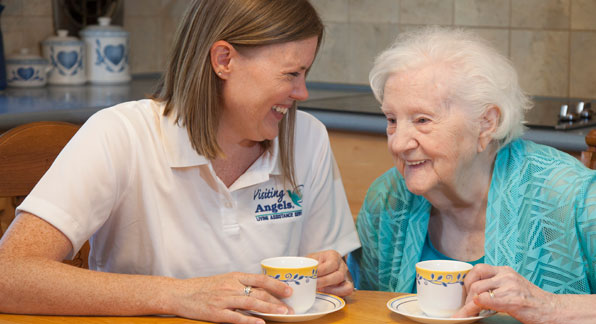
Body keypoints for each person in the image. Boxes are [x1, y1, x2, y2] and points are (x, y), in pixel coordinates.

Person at [347, 26, 596, 324]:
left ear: (486, 124)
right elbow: (364, 298)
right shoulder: (390, 198)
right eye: (391, 120)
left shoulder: (562, 194)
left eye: (421, 120)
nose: (398, 143)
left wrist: (550, 306)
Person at [0, 1, 359, 323]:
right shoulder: (121, 133)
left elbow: (331, 269)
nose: (303, 93)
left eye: (305, 73)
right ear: (224, 60)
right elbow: (9, 274)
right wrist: (175, 295)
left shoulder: (308, 137)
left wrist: (332, 273)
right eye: (291, 74)